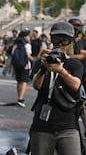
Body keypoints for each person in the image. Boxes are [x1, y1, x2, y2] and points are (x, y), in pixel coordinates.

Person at [28, 21, 83, 155]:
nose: (59, 44)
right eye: (56, 39)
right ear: (51, 40)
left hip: (68, 125)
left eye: (63, 40)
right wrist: (43, 68)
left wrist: (61, 71)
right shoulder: (42, 61)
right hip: (42, 126)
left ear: (70, 42)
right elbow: (36, 85)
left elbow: (76, 85)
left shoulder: (74, 64)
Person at [12, 29, 33, 107]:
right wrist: (36, 60)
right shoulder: (27, 45)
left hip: (17, 65)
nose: (29, 37)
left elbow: (13, 54)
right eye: (28, 36)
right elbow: (28, 56)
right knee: (24, 81)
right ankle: (21, 98)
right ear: (25, 37)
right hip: (25, 65)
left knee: (19, 81)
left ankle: (19, 97)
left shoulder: (16, 44)